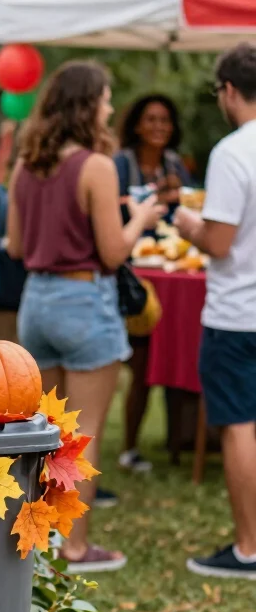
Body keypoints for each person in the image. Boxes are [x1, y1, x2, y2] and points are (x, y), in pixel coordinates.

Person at [6, 60, 165, 573]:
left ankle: (43, 541)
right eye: (106, 98)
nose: (111, 108)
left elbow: (16, 246)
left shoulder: (25, 165)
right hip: (83, 300)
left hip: (36, 301)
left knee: (47, 429)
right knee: (83, 432)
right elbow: (114, 252)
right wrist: (141, 218)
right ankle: (74, 547)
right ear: (87, 105)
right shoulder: (96, 166)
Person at [174, 43, 256, 580]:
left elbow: (220, 241)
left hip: (238, 313)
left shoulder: (232, 151)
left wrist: (188, 226)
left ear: (229, 90)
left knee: (239, 426)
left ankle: (249, 549)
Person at [114, 94, 192, 475]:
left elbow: (189, 214)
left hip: (172, 274)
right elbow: (107, 207)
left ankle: (178, 443)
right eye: (151, 119)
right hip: (133, 279)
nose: (159, 126)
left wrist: (178, 198)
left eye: (165, 120)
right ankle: (129, 447)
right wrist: (148, 199)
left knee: (177, 354)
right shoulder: (121, 163)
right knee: (142, 365)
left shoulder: (175, 165)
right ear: (137, 124)